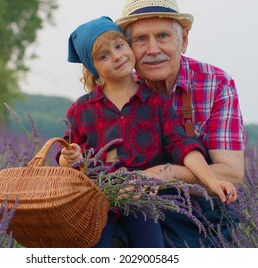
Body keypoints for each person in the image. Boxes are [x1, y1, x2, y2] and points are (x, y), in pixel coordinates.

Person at [58, 16, 237, 248]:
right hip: (98, 202)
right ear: (94, 68)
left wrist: (212, 181)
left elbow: (183, 147)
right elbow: (67, 161)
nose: (116, 56)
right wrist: (69, 157)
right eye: (103, 56)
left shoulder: (156, 104)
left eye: (119, 45)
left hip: (142, 200)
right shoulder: (82, 109)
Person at [114, 0, 246, 247]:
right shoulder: (117, 89)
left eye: (162, 36)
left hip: (200, 217)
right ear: (128, 47)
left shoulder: (216, 83)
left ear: (183, 40)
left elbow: (231, 174)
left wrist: (167, 173)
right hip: (134, 212)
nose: (153, 49)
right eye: (141, 39)